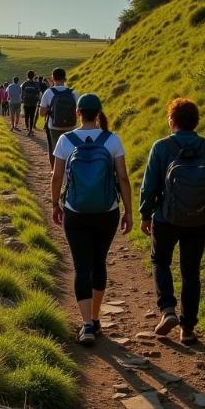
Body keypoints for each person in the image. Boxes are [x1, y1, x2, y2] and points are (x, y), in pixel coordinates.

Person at [139, 98, 205, 344]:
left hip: (166, 218)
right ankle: (188, 328)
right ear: (195, 121)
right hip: (199, 219)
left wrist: (145, 214)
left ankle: (167, 310)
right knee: (191, 272)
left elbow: (149, 187)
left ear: (172, 121)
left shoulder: (161, 147)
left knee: (160, 261)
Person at [50, 94, 133, 345]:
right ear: (99, 113)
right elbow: (123, 178)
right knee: (99, 262)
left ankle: (86, 324)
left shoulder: (66, 140)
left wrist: (55, 204)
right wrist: (128, 211)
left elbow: (56, 177)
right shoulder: (112, 140)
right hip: (107, 211)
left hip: (75, 211)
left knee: (81, 266)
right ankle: (96, 319)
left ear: (77, 113)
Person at [39, 68, 79, 168]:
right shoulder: (74, 92)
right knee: (70, 150)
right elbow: (79, 112)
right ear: (65, 78)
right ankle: (69, 171)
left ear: (53, 78)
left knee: (54, 150)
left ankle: (55, 171)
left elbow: (42, 113)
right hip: (71, 126)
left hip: (54, 126)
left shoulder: (48, 92)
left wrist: (49, 109)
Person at [20, 70, 42, 137]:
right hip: (33, 102)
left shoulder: (24, 84)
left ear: (27, 76)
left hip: (26, 102)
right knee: (32, 116)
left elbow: (21, 93)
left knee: (27, 115)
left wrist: (23, 99)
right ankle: (30, 130)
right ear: (33, 76)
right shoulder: (36, 84)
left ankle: (27, 128)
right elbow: (38, 93)